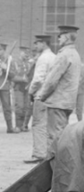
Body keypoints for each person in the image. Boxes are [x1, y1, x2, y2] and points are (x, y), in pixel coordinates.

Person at [36, 25, 82, 148]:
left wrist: (42, 96)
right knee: (62, 136)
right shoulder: (75, 54)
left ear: (67, 37)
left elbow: (51, 81)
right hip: (67, 102)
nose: (58, 38)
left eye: (60, 36)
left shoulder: (63, 55)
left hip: (57, 103)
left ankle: (55, 166)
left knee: (55, 138)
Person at [24, 35, 57, 163]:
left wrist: (31, 91)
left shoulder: (43, 58)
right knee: (49, 125)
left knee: (38, 124)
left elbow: (38, 79)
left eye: (37, 43)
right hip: (51, 96)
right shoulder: (54, 57)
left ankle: (39, 154)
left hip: (40, 95)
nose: (35, 46)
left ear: (44, 44)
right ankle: (49, 152)